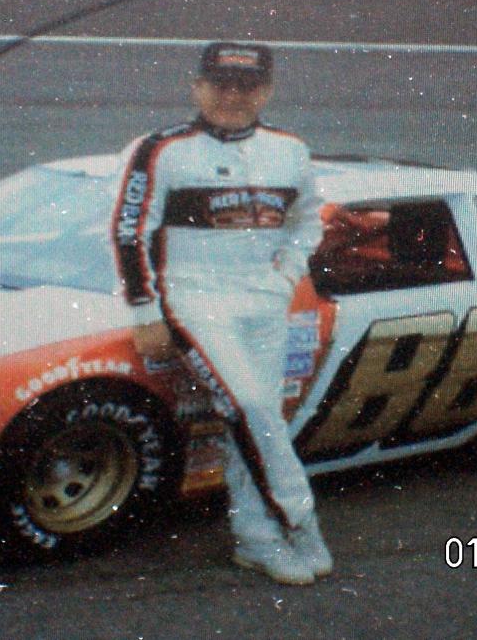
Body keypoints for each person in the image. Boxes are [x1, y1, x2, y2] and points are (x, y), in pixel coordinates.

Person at [111, 42, 331, 584]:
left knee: (256, 420)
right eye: (220, 85)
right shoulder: (159, 149)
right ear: (197, 88)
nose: (232, 96)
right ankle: (300, 523)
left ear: (266, 92)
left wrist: (285, 276)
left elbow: (308, 222)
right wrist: (145, 310)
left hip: (264, 302)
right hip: (195, 300)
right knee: (252, 407)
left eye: (246, 86)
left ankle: (256, 539)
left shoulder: (291, 149)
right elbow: (128, 231)